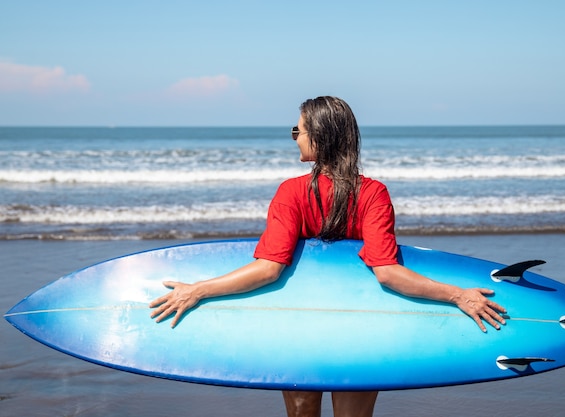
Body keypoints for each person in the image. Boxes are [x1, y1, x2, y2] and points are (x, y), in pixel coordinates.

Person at [149, 96, 507, 417]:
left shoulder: (292, 192)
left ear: (320, 137)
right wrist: (457, 295)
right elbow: (388, 273)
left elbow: (269, 270)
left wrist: (197, 290)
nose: (295, 138)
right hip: (362, 325)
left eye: (298, 130)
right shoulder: (373, 193)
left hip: (302, 324)